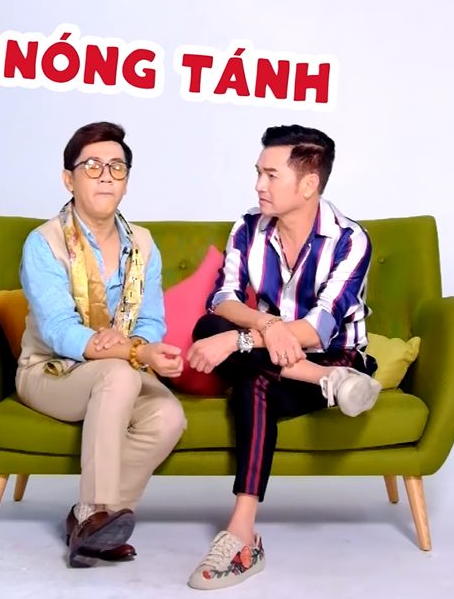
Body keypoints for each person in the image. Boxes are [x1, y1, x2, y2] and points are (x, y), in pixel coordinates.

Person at [186, 124, 381, 589]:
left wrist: (238, 342)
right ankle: (325, 384)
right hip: (289, 361)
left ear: (309, 183)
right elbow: (223, 300)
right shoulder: (248, 227)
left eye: (271, 175)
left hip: (333, 355)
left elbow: (317, 330)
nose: (259, 185)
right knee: (207, 327)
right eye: (258, 172)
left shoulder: (350, 240)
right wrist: (266, 325)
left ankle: (241, 535)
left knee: (248, 374)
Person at [15, 121, 187, 568]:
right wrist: (130, 351)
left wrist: (138, 344)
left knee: (168, 416)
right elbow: (59, 331)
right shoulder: (44, 242)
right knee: (118, 374)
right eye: (92, 166)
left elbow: (151, 320)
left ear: (127, 181)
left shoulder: (143, 244)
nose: (106, 176)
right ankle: (95, 515)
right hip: (50, 372)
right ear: (68, 179)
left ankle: (91, 523)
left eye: (117, 167)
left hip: (119, 371)